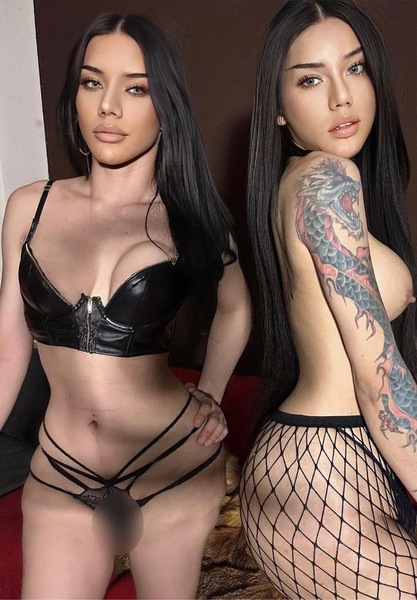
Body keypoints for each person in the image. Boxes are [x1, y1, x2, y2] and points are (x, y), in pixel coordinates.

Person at [0, 13, 251, 599]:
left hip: (171, 466)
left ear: (166, 105)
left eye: (136, 88)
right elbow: (9, 345)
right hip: (61, 473)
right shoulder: (30, 208)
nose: (108, 106)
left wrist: (212, 392)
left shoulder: (192, 220)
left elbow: (237, 309)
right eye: (93, 82)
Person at [239, 0, 417, 598]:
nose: (342, 96)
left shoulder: (300, 180)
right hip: (323, 476)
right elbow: (377, 376)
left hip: (321, 463)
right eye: (311, 79)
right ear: (278, 108)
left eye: (355, 68)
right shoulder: (327, 181)